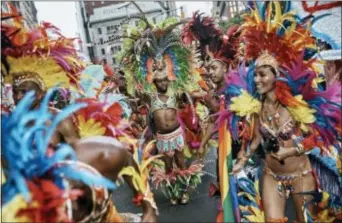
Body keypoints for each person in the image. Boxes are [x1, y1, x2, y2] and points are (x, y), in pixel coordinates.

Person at [1, 13, 158, 222]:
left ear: (39, 93)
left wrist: (148, 208)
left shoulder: (61, 123)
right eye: (16, 91)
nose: (18, 96)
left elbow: (113, 158)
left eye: (24, 91)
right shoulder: (11, 127)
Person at [221, 2, 341, 222]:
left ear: (276, 76)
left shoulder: (296, 106)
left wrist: (291, 150)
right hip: (271, 176)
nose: (257, 80)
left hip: (300, 176)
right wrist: (242, 158)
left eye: (263, 75)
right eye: (255, 74)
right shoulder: (257, 107)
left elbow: (314, 140)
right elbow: (257, 139)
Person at [116, 15, 204, 205]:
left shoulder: (176, 93)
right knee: (168, 166)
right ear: (153, 81)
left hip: (177, 134)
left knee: (181, 164)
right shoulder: (149, 97)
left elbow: (192, 88)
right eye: (159, 79)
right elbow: (135, 82)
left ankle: (185, 191)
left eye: (165, 78)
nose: (163, 81)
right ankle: (173, 193)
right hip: (162, 137)